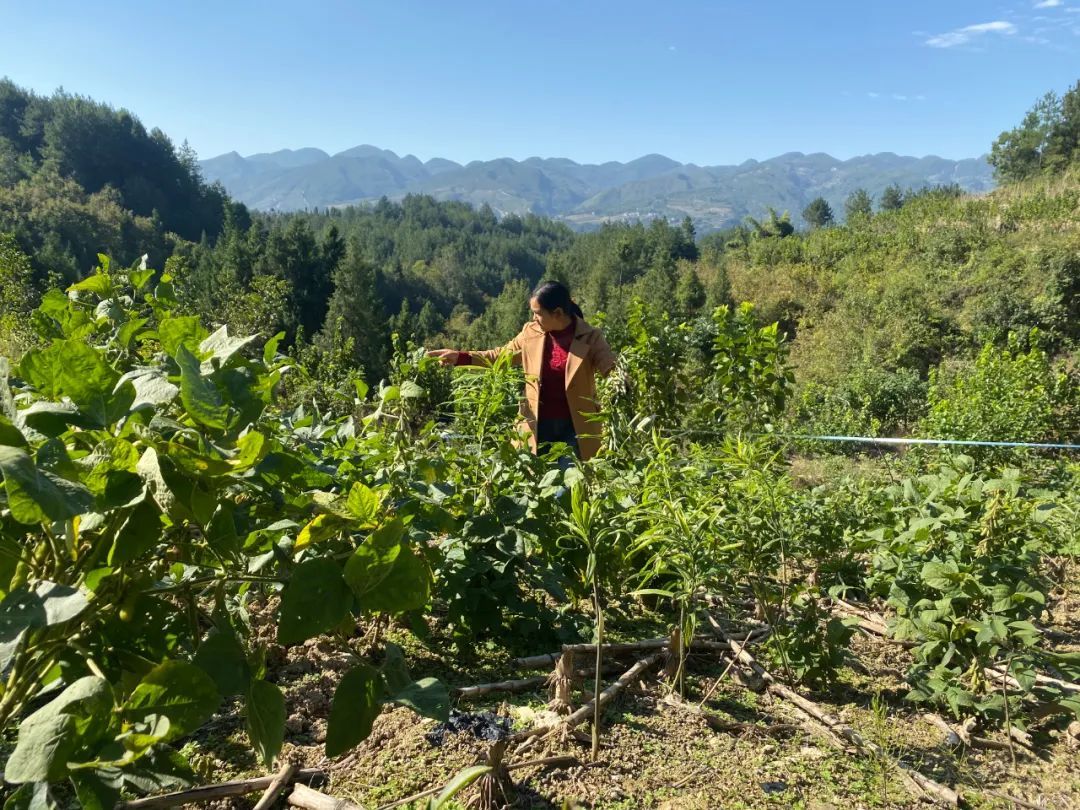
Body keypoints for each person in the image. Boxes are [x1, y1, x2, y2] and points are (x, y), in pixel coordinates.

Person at [427, 281, 617, 461]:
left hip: (576, 427)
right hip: (536, 424)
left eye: (538, 313)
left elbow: (610, 367)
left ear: (557, 313)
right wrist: (460, 357)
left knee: (567, 485)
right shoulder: (530, 333)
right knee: (536, 484)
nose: (534, 318)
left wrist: (621, 383)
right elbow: (499, 357)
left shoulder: (590, 337)